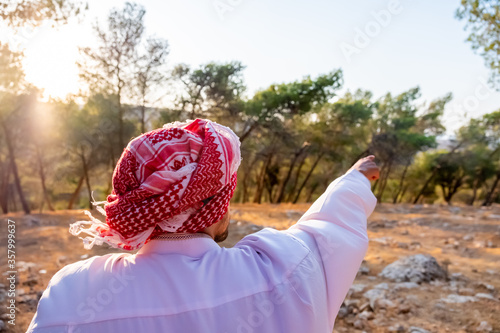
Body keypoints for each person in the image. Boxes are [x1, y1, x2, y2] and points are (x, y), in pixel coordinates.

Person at [27, 118, 379, 333]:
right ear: (215, 206)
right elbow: (328, 228)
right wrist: (356, 179)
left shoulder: (71, 295)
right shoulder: (285, 270)